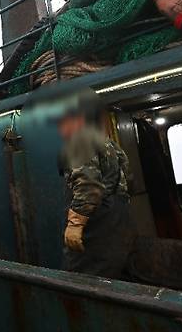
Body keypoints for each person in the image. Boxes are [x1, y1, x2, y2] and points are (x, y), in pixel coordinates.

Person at [56, 88, 135, 278]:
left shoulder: (80, 140)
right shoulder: (110, 144)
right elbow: (128, 181)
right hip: (117, 221)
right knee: (115, 277)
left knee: (85, 281)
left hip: (95, 226)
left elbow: (88, 186)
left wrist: (76, 224)